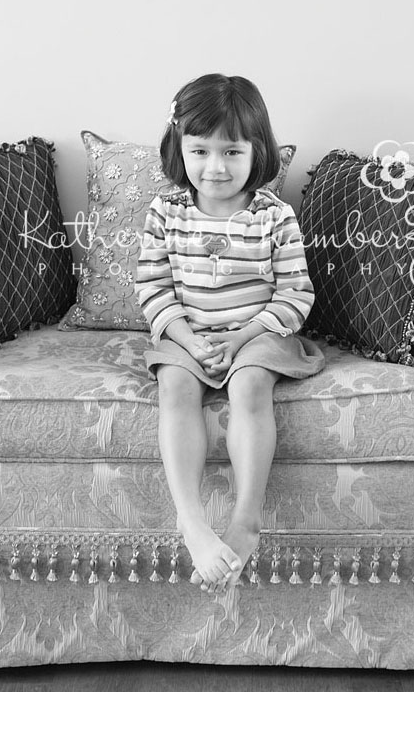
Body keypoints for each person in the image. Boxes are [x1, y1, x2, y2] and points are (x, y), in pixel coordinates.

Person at [136, 73, 325, 593]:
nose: (215, 167)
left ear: (257, 151)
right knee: (175, 387)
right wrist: (189, 340)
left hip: (257, 334)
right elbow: (153, 287)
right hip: (187, 332)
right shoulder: (166, 213)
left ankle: (246, 519)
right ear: (179, 148)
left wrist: (241, 339)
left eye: (232, 152)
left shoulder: (274, 216)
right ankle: (191, 520)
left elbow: (295, 294)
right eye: (200, 151)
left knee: (249, 385)